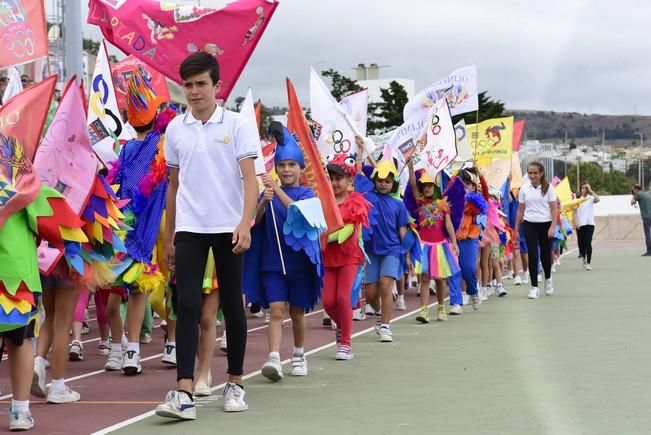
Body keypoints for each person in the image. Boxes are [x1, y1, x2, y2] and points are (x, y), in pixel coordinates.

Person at [156, 52, 258, 420]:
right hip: (190, 228)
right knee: (185, 304)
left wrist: (245, 222)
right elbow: (173, 184)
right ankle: (184, 391)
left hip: (229, 226)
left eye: (201, 84)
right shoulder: (175, 129)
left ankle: (235, 383)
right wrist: (169, 236)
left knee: (232, 303)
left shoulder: (237, 125)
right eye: (188, 85)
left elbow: (251, 179)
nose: (194, 91)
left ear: (217, 86)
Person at [246, 122, 322, 381]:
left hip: (299, 264)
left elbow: (298, 213)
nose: (286, 170)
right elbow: (254, 222)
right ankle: (274, 358)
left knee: (297, 312)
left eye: (292, 165)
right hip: (272, 263)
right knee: (276, 310)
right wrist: (263, 204)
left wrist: (276, 190)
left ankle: (299, 354)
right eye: (282, 165)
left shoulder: (307, 193)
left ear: (301, 169)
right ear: (275, 168)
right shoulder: (267, 194)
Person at [110, 69, 171, 376]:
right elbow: (120, 185)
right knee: (139, 287)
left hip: (159, 222)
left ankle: (156, 344)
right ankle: (133, 349)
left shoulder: (163, 142)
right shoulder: (132, 147)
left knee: (149, 286)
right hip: (139, 226)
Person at [323, 144, 370, 359]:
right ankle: (342, 325)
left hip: (349, 256)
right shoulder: (325, 202)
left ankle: (346, 343)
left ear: (349, 180)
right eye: (331, 178)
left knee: (343, 298)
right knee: (327, 302)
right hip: (327, 257)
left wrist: (328, 236)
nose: (334, 183)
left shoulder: (355, 202)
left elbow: (349, 228)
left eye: (338, 178)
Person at [363, 158, 410, 342]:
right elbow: (358, 174)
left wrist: (406, 255)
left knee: (385, 286)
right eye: (380, 180)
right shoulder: (367, 198)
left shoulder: (399, 204)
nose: (383, 184)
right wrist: (360, 150)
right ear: (374, 181)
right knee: (371, 294)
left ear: (394, 184)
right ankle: (378, 313)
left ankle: (385, 326)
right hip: (371, 252)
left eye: (388, 181)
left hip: (392, 250)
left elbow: (402, 231)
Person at [407, 163, 460, 322]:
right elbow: (412, 184)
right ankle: (423, 311)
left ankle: (441, 307)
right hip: (424, 245)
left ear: (435, 187)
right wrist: (410, 168)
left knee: (439, 279)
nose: (427, 189)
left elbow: (448, 224)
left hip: (440, 246)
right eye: (425, 186)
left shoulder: (443, 206)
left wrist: (454, 242)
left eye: (430, 186)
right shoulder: (420, 203)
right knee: (424, 278)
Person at [515, 162, 558, 299]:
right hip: (529, 224)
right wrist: (515, 230)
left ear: (541, 173)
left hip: (545, 225)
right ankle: (534, 287)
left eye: (535, 173)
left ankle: (548, 279)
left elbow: (554, 209)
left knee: (546, 255)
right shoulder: (524, 189)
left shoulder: (549, 188)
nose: (532, 176)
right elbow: (520, 210)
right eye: (530, 173)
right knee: (532, 255)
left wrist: (552, 227)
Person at [448, 167, 486, 314]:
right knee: (453, 270)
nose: (464, 187)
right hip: (452, 237)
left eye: (467, 184)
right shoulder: (450, 198)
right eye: (461, 184)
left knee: (468, 268)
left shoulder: (476, 200)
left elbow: (483, 203)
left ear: (473, 185)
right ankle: (456, 302)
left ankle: (473, 291)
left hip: (470, 236)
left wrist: (480, 177)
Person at [630, 184, 651, 256]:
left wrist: (633, 195)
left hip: (646, 217)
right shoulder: (647, 194)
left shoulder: (638, 194)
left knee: (648, 234)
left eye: (633, 190)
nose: (633, 191)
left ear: (636, 190)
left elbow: (632, 202)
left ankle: (649, 251)